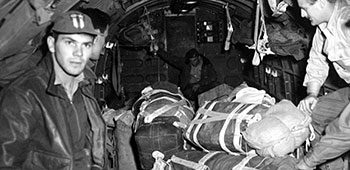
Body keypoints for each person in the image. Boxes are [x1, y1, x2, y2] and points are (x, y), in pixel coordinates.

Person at [0, 10, 106, 169]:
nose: (79, 53)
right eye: (70, 42)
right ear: (51, 44)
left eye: (86, 45)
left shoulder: (83, 91)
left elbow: (87, 153)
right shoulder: (24, 94)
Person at [295, 0, 350, 169]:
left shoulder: (347, 22)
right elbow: (317, 60)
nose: (303, 15)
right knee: (311, 114)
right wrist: (312, 94)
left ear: (321, 3)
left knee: (342, 128)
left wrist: (305, 164)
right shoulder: (323, 28)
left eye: (305, 9)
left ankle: (310, 162)